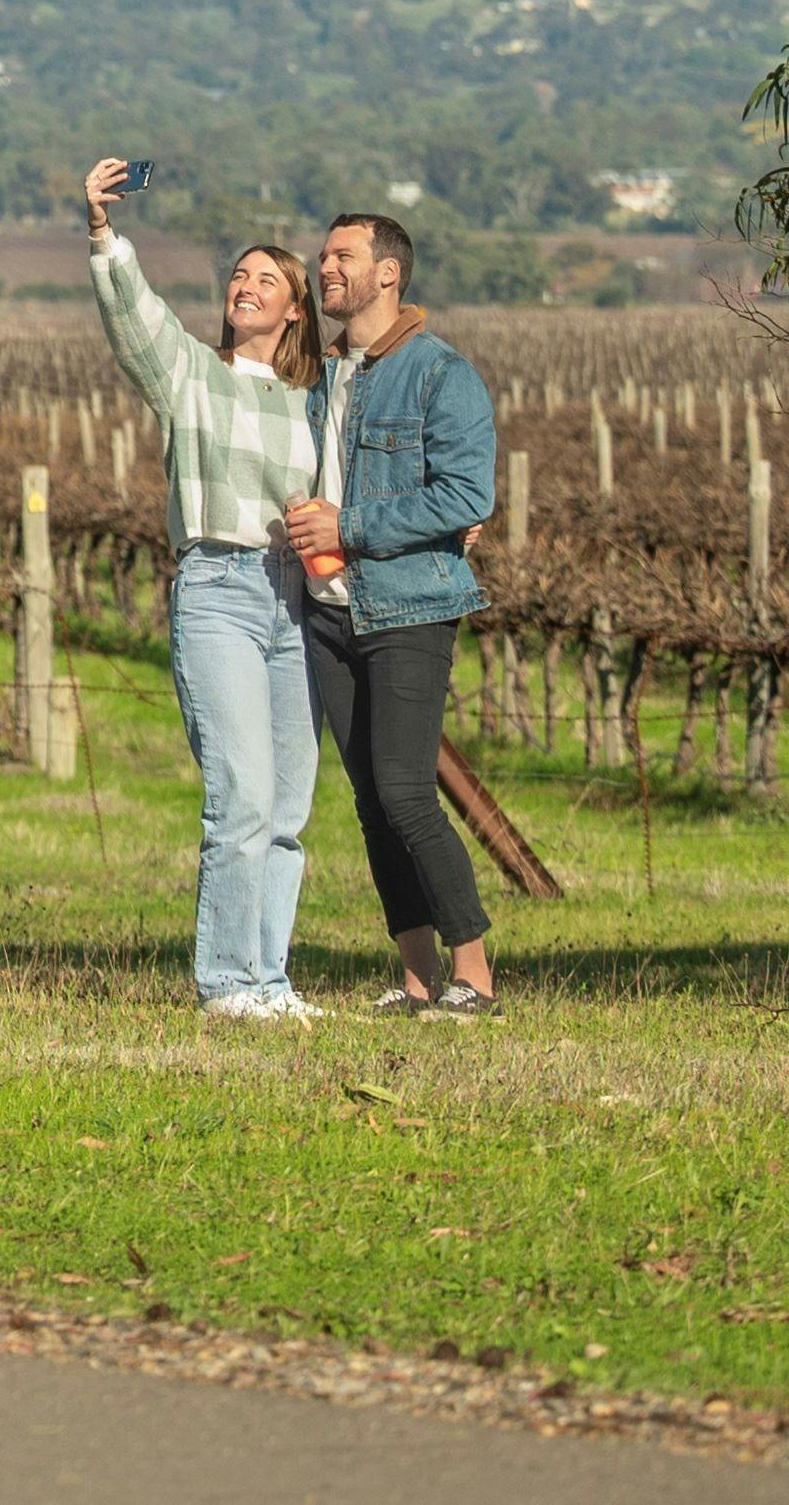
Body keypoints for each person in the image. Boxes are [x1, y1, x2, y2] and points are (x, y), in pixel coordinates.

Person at [75, 158, 325, 1022]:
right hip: (219, 586)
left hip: (296, 601)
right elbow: (133, 317)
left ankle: (271, 977)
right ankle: (226, 981)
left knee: (289, 804)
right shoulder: (190, 374)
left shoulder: (316, 404)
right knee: (242, 794)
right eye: (239, 274)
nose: (245, 285)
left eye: (267, 278)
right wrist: (105, 232)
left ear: (296, 309)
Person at [277, 208, 502, 1016]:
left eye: (343, 255)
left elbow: (468, 492)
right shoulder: (315, 375)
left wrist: (352, 525)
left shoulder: (441, 374)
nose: (325, 265)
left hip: (407, 606)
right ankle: (416, 978)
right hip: (328, 610)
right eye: (323, 255)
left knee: (407, 792)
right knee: (372, 801)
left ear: (388, 273)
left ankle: (473, 971)